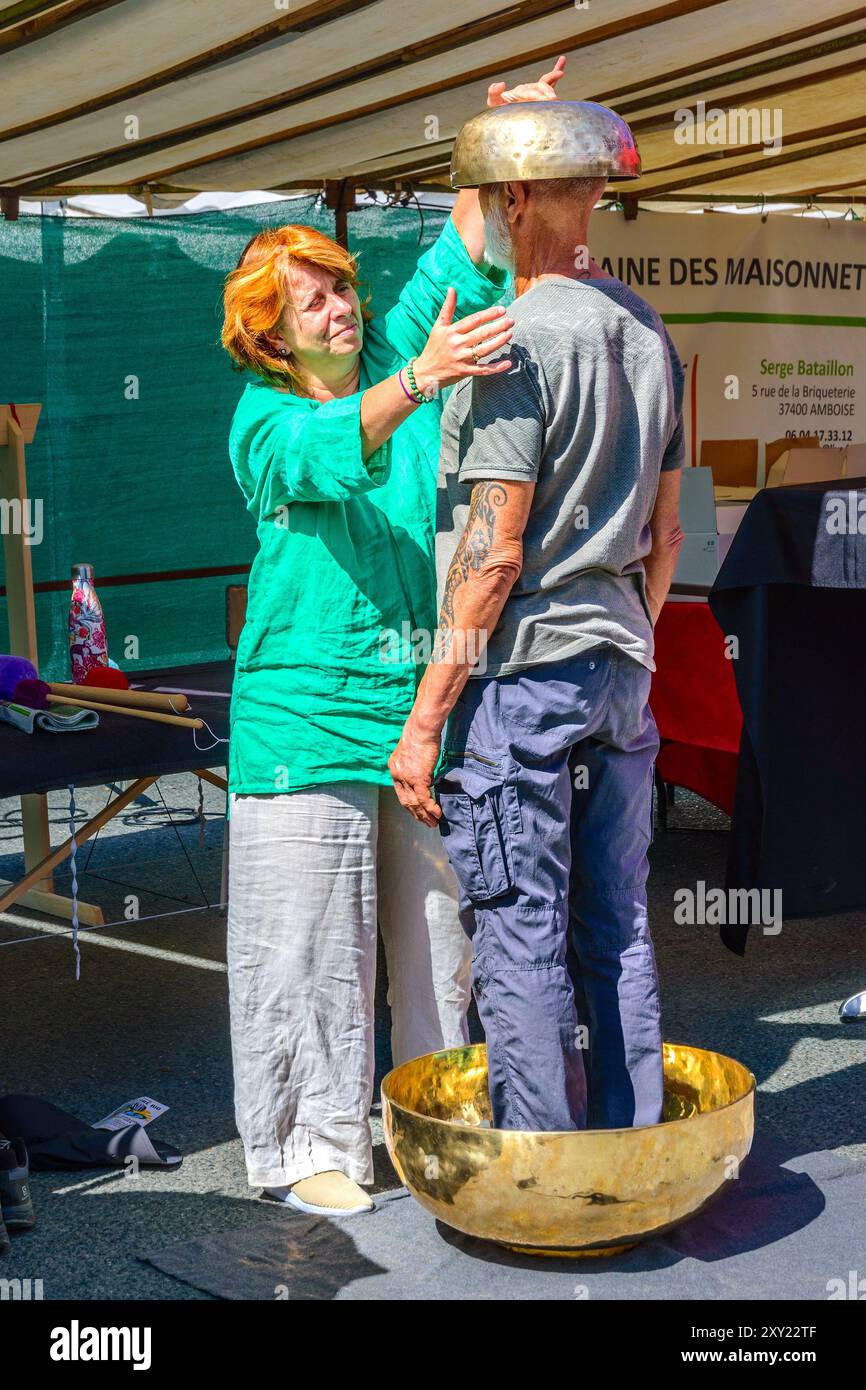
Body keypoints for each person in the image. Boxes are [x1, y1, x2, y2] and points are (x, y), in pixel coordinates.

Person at [221, 65, 568, 1210]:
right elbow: (330, 450)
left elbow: (460, 242)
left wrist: (501, 132)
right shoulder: (262, 419)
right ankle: (312, 1153)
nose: (341, 305)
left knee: (436, 937)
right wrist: (416, 379)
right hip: (298, 724)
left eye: (339, 289)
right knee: (310, 955)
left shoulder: (387, 356)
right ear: (271, 333)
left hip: (409, 710)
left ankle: (427, 1121)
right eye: (313, 298)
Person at [389, 107, 686, 1134]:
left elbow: (491, 555)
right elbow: (669, 535)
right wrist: (628, 645)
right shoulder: (646, 330)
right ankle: (631, 1152)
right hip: (619, 672)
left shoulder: (509, 343)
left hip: (522, 678)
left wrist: (425, 720)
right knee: (617, 924)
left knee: (516, 932)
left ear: (513, 198)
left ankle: (539, 1174)